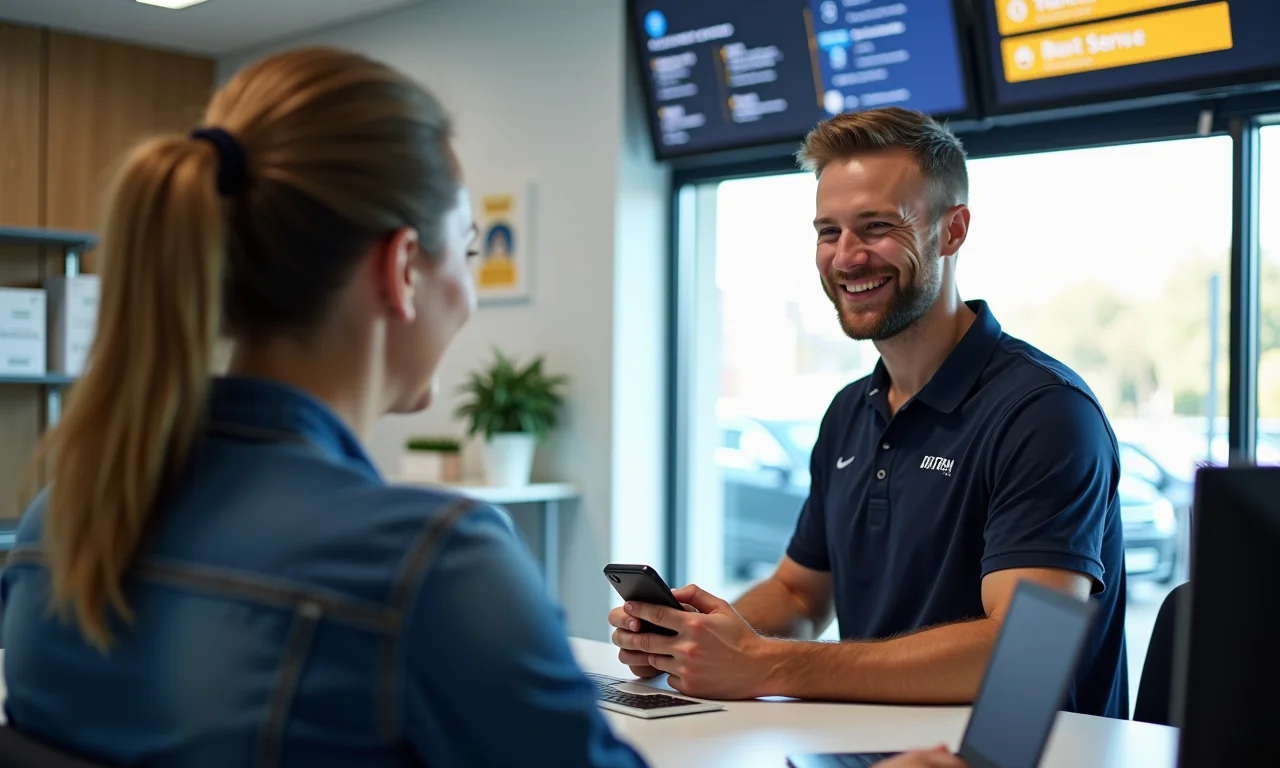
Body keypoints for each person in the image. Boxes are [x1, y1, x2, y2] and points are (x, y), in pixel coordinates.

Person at [0, 46, 645, 768]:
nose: (469, 295)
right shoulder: (432, 566)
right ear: (403, 269)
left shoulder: (58, 528)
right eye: (466, 253)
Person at [608, 107, 1129, 719]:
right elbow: (799, 594)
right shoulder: (849, 412)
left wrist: (766, 664)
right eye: (828, 232)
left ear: (953, 231)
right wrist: (694, 644)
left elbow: (1025, 653)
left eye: (877, 226)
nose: (847, 258)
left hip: (1018, 753)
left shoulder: (1044, 413)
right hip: (870, 747)